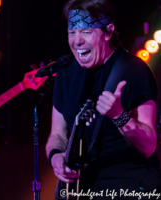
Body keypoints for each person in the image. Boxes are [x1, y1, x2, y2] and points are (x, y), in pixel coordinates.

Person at [46, 0, 161, 199]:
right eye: (72, 32)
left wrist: (119, 116)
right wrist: (56, 157)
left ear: (108, 32)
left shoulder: (134, 70)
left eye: (87, 31)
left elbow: (149, 146)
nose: (77, 41)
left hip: (127, 187)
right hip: (81, 188)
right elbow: (57, 133)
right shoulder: (65, 73)